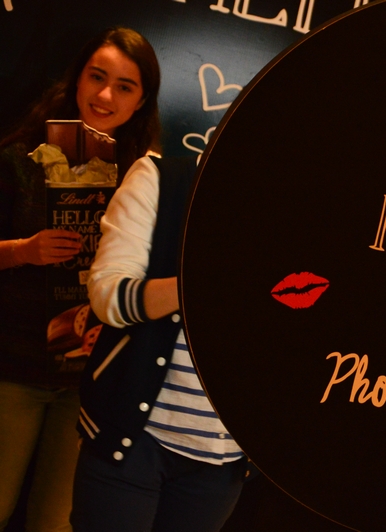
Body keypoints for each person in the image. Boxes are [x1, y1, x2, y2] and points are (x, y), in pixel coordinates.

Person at [0, 27, 161, 531]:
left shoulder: (145, 179)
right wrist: (23, 251)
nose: (106, 95)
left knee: (54, 522)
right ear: (78, 81)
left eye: (125, 86)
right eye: (97, 77)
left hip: (90, 382)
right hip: (11, 370)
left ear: (141, 101)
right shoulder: (20, 160)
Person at [69, 153, 249, 532]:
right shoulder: (165, 177)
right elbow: (108, 294)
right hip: (133, 437)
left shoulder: (308, 206)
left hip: (224, 456)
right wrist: (206, 280)